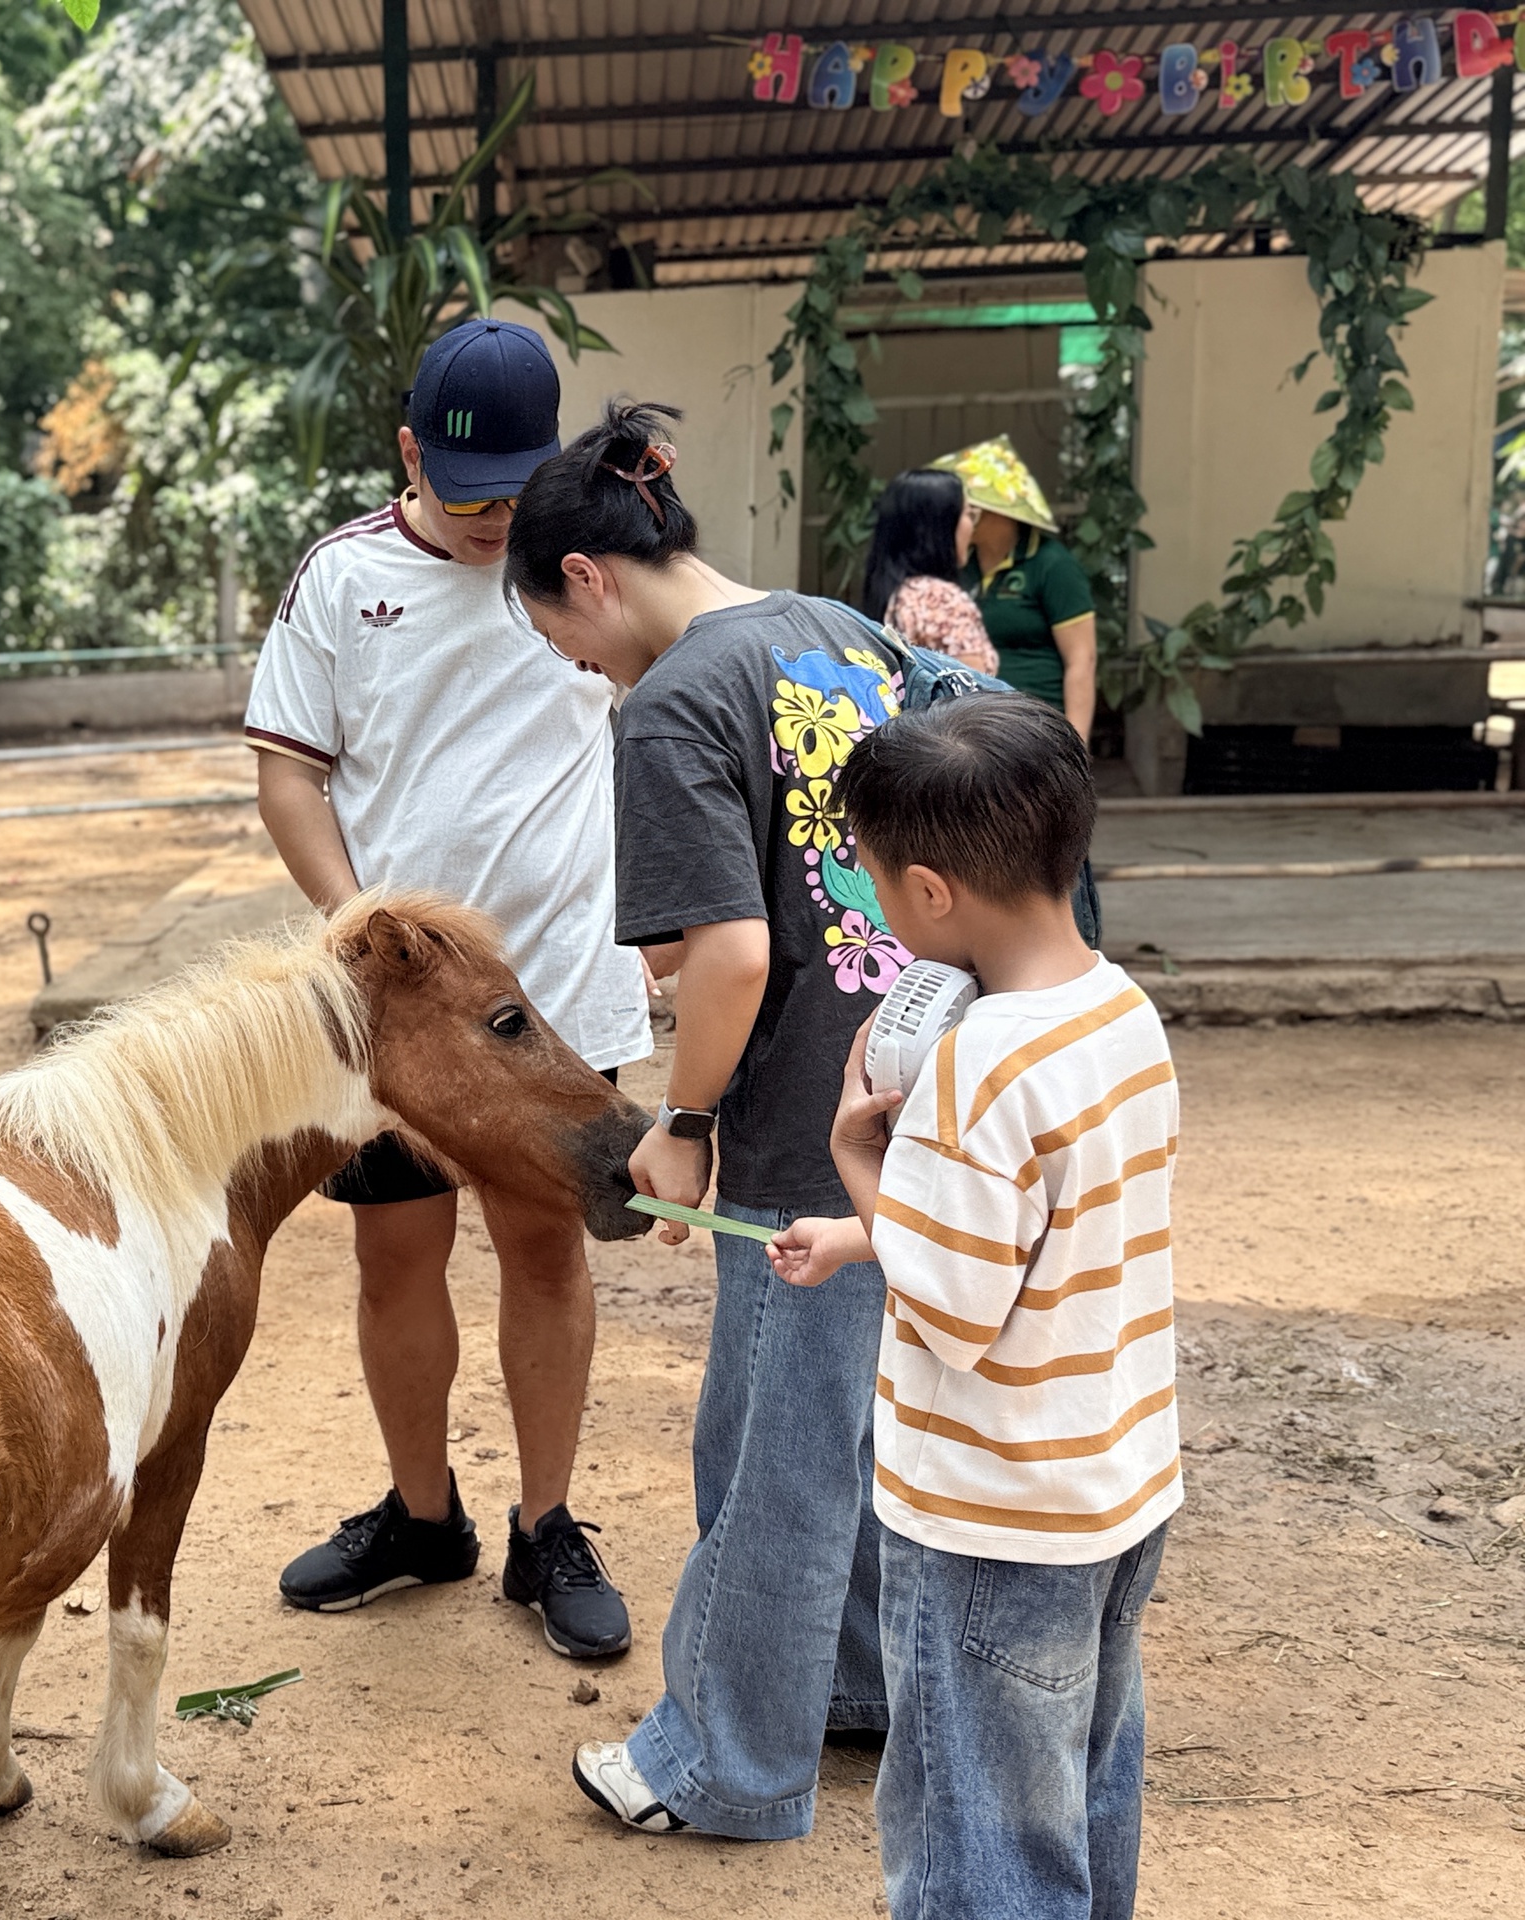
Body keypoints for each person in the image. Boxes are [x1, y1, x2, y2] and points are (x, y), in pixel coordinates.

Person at [503, 399, 903, 1835]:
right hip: (925, 1091)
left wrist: (683, 1118)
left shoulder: (671, 703)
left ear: (588, 578)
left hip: (803, 1126)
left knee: (768, 1452)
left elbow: (727, 957)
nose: (579, 663)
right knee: (860, 1432)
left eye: (561, 635)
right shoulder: (841, 634)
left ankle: (723, 1761)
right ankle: (854, 1686)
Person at [245, 319, 654, 1661]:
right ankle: (425, 1516)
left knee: (545, 1243)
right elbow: (291, 774)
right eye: (469, 495)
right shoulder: (342, 577)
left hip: (564, 987)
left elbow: (668, 715)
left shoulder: (592, 565)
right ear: (411, 450)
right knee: (394, 1249)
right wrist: (355, 928)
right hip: (405, 1014)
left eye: (516, 494)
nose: (494, 524)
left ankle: (548, 1527)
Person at [769, 695, 1180, 1920]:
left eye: (878, 881)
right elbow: (1045, 1234)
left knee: (975, 1839)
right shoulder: (1119, 1011)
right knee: (1080, 1788)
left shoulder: (972, 1060)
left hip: (987, 1515)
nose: (881, 906)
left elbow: (954, 1315)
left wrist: (857, 1156)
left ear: (931, 894)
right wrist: (861, 1239)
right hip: (1110, 1488)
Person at [935, 436, 1097, 739]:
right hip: (974, 726)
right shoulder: (958, 565)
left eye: (968, 507)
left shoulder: (1051, 564)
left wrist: (1076, 744)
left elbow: (1081, 660)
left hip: (1038, 728)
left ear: (996, 512)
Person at [862, 468, 999, 675]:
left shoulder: (894, 593)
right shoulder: (941, 599)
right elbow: (974, 693)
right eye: (969, 514)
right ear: (941, 525)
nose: (972, 527)